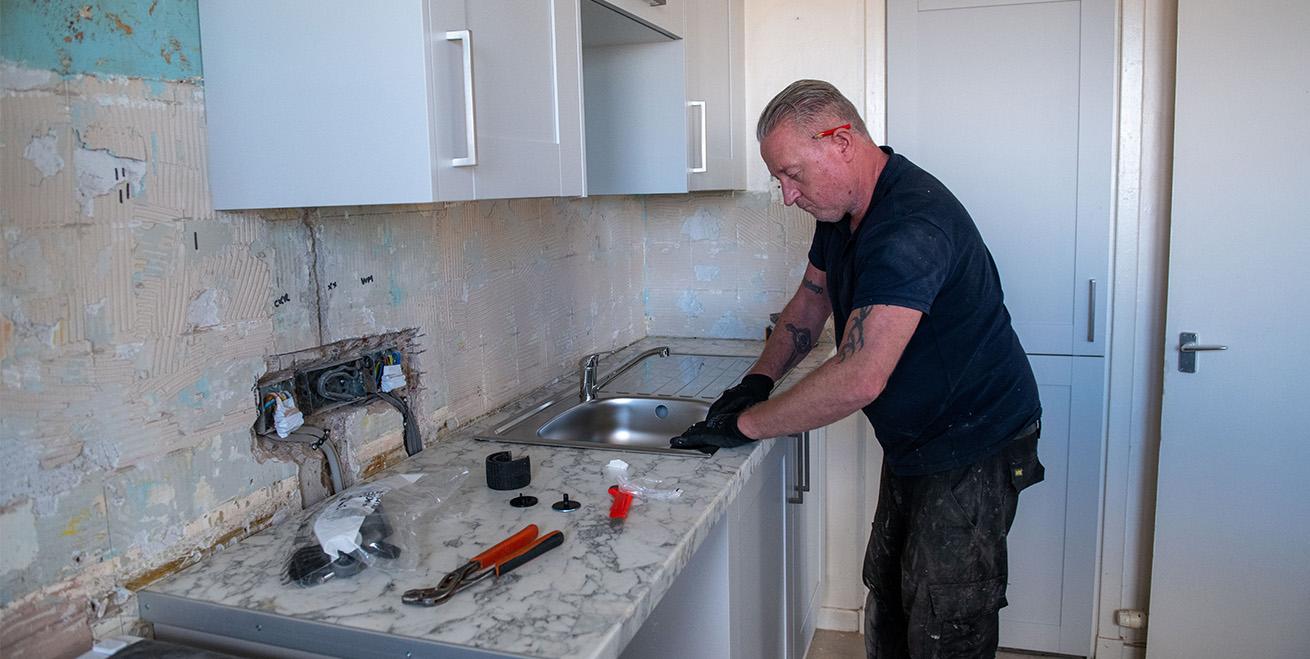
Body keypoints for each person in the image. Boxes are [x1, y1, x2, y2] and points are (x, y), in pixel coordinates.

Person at [671, 79, 1045, 659]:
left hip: (975, 442)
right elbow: (810, 301)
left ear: (841, 141)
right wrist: (755, 383)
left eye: (792, 174)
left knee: (947, 618)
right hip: (917, 438)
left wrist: (745, 426)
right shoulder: (843, 208)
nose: (788, 195)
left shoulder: (910, 228)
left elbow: (860, 375)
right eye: (779, 180)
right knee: (892, 591)